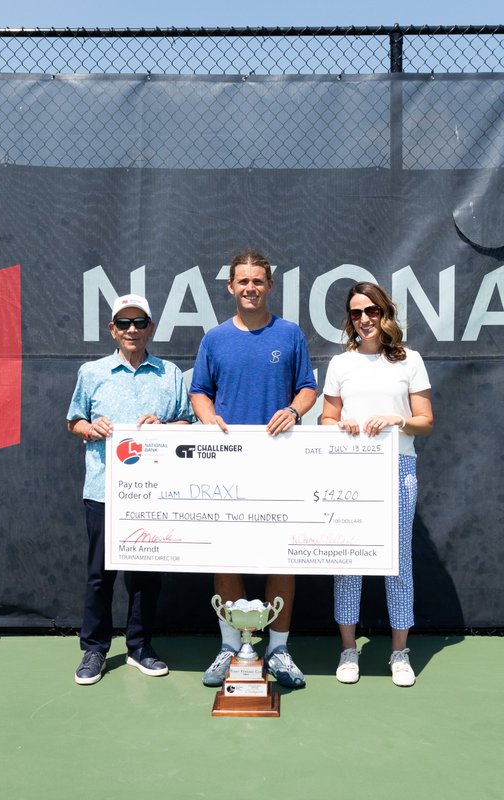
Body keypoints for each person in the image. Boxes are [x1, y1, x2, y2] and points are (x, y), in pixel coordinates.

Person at [190, 251, 318, 689]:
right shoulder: (214, 339)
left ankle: (279, 650)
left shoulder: (290, 334)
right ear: (230, 287)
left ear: (269, 286)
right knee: (227, 554)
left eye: (257, 281)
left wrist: (295, 412)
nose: (250, 288)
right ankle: (230, 646)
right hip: (226, 466)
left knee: (281, 556)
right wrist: (207, 417)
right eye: (242, 281)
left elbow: (307, 388)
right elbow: (200, 393)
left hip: (280, 463)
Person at [66, 293, 195, 685]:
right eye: (124, 323)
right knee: (99, 575)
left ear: (151, 328)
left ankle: (140, 646)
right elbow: (74, 421)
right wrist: (92, 428)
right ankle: (94, 649)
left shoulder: (170, 374)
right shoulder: (93, 373)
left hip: (153, 494)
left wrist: (166, 428)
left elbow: (188, 422)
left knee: (145, 576)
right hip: (104, 489)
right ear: (112, 330)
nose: (132, 330)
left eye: (139, 322)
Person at [319, 281, 433, 687]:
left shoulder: (409, 361)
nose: (364, 319)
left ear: (385, 314)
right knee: (349, 560)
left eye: (371, 311)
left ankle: (399, 653)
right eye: (356, 313)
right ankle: (349, 649)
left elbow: (425, 420)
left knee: (397, 562)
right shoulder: (340, 364)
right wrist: (340, 423)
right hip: (350, 473)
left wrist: (397, 419)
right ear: (349, 320)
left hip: (399, 469)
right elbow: (326, 419)